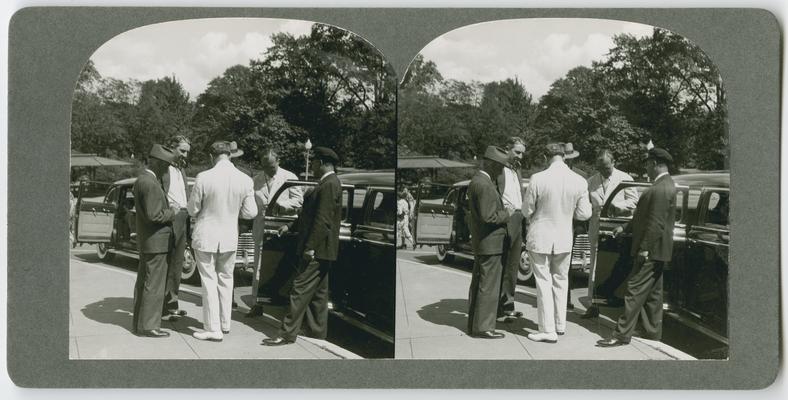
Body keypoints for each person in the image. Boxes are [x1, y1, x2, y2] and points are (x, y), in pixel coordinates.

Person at [262, 147, 342, 346]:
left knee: (299, 289)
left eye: (314, 162)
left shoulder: (329, 184)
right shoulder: (325, 183)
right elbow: (309, 215)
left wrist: (310, 247)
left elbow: (322, 221)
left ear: (323, 162)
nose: (312, 165)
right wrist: (289, 226)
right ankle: (317, 333)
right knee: (318, 295)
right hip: (322, 250)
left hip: (317, 249)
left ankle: (287, 333)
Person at [597, 148, 676, 347]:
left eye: (648, 164)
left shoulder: (660, 188)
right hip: (658, 251)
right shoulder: (662, 185)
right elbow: (643, 216)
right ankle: (652, 332)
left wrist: (644, 248)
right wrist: (625, 227)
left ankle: (621, 334)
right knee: (653, 294)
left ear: (655, 164)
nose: (646, 168)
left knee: (634, 289)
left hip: (651, 250)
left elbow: (655, 223)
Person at [188, 141, 258, 342]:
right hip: (229, 237)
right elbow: (250, 212)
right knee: (226, 279)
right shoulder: (245, 180)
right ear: (230, 155)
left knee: (209, 281)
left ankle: (212, 328)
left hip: (206, 235)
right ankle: (225, 323)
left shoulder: (204, 177)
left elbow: (192, 209)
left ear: (212, 156)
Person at [522, 143, 591, 343]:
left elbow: (526, 210)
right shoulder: (579, 181)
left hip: (540, 236)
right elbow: (585, 213)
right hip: (564, 238)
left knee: (543, 282)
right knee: (561, 280)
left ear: (546, 157)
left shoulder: (538, 178)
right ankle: (560, 325)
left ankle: (547, 329)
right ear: (564, 157)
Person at [581, 149, 638, 319]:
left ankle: (613, 299)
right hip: (597, 229)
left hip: (618, 230)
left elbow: (634, 201)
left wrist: (618, 206)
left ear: (613, 163)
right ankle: (593, 305)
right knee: (595, 268)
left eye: (606, 167)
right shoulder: (591, 182)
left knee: (614, 265)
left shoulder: (625, 179)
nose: (604, 171)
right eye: (600, 168)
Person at [131, 144, 180, 338]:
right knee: (155, 285)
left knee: (144, 282)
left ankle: (139, 323)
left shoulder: (143, 180)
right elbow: (154, 215)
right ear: (159, 164)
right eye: (167, 166)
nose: (168, 169)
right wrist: (172, 212)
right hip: (157, 242)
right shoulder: (151, 184)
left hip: (148, 241)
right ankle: (150, 326)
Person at [248, 148, 303, 314]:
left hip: (282, 228)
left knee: (277, 266)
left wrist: (282, 206)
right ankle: (256, 304)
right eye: (265, 167)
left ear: (278, 161)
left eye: (271, 167)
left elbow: (299, 200)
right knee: (257, 267)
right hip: (261, 227)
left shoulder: (290, 177)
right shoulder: (255, 180)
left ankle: (280, 302)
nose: (269, 170)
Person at [466, 146, 510, 339]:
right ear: (492, 164)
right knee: (488, 287)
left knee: (480, 284)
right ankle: (484, 328)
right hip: (491, 243)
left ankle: (475, 324)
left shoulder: (478, 181)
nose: (502, 171)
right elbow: (488, 216)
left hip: (483, 243)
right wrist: (507, 214)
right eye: (500, 167)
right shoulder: (484, 185)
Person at [160, 135, 191, 321]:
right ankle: (162, 307)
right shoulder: (164, 169)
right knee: (167, 263)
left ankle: (172, 303)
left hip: (183, 217)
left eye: (187, 151)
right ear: (172, 148)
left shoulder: (182, 170)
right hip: (170, 218)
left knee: (177, 264)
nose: (185, 155)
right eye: (182, 150)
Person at [496, 137, 526, 322]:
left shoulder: (518, 169)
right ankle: (497, 308)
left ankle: (508, 304)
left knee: (513, 266)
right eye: (517, 152)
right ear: (507, 149)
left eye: (522, 152)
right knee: (501, 264)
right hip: (504, 218)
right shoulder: (498, 169)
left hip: (518, 217)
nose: (520, 156)